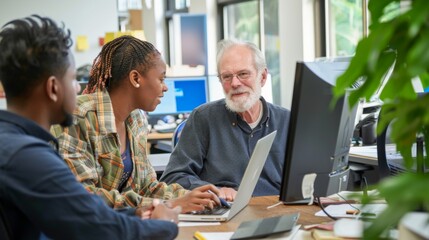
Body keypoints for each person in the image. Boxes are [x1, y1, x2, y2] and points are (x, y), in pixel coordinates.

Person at [0, 15, 180, 239]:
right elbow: (97, 228)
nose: (78, 89)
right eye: (73, 79)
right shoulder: (27, 157)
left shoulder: (13, 143)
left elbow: (84, 213)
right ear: (54, 88)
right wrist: (165, 225)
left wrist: (134, 212)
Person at [51, 35, 221, 213]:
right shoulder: (76, 117)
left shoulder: (136, 119)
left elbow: (147, 187)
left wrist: (190, 196)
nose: (165, 87)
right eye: (161, 79)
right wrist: (169, 205)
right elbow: (83, 196)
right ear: (136, 78)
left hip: (125, 225)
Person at [160, 39, 290, 201]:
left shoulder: (287, 121)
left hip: (275, 211)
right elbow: (173, 177)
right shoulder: (203, 118)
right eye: (227, 76)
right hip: (224, 211)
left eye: (243, 74)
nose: (235, 83)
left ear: (262, 77)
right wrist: (214, 191)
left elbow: (306, 179)